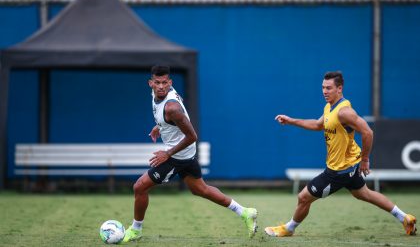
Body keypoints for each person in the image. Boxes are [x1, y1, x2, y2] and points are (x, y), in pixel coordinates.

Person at [265, 71, 417, 237]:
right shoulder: (330, 106)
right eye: (323, 87)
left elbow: (368, 132)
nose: (324, 91)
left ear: (339, 89)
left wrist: (365, 159)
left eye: (329, 88)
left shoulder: (344, 112)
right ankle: (404, 217)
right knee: (365, 194)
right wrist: (291, 120)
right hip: (349, 166)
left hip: (338, 171)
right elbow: (317, 125)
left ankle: (289, 228)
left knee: (303, 197)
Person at [123, 65, 258, 242]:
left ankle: (135, 230)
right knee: (200, 189)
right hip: (185, 154)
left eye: (165, 82)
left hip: (177, 156)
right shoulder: (158, 97)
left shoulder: (172, 107)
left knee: (139, 187)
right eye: (157, 82)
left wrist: (167, 154)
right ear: (151, 83)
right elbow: (173, 119)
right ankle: (245, 212)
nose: (161, 86)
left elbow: (192, 135)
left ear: (170, 82)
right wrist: (160, 126)